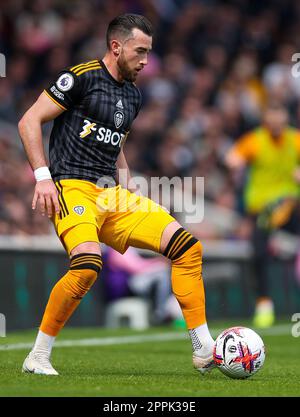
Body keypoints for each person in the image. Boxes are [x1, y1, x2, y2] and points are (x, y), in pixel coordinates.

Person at [18, 14, 215, 376]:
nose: (145, 61)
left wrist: (128, 183)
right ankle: (38, 354)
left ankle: (204, 348)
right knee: (88, 267)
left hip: (112, 194)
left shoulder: (133, 95)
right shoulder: (81, 78)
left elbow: (115, 143)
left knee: (188, 249)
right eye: (140, 51)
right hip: (71, 187)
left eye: (149, 53)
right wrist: (43, 178)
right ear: (116, 46)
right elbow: (29, 120)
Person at [225, 104, 300, 328]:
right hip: (263, 210)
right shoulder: (256, 140)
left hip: (291, 205)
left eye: (279, 114)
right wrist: (235, 165)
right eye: (272, 114)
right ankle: (264, 304)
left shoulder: (294, 139)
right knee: (258, 254)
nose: (276, 120)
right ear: (266, 119)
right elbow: (232, 158)